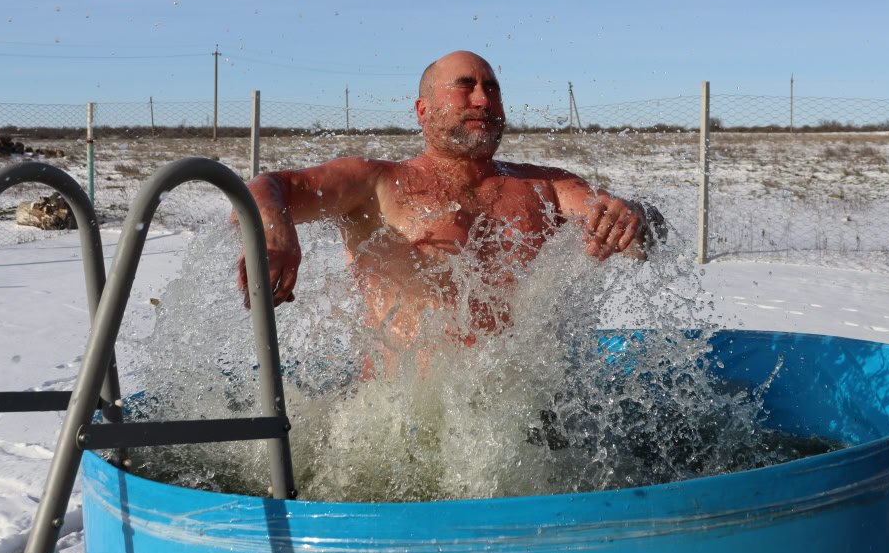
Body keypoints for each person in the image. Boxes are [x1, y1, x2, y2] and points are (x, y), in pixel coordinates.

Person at [237, 50, 662, 357]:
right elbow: (266, 186)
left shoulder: (547, 186)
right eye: (465, 86)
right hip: (404, 420)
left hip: (528, 420)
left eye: (492, 89)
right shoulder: (376, 183)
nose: (483, 100)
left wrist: (632, 218)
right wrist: (274, 232)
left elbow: (639, 232)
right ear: (422, 110)